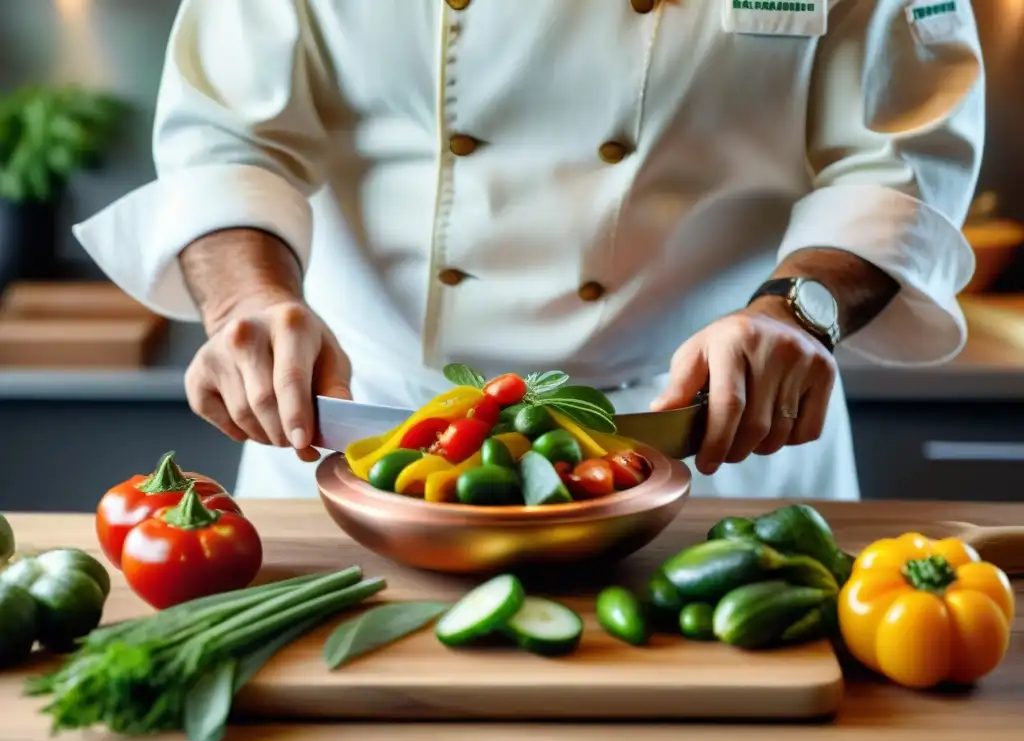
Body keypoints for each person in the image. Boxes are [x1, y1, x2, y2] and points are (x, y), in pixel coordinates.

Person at [75, 0, 983, 500]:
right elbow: (229, 135)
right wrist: (247, 303)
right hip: (371, 432)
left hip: (711, 436)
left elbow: (899, 155)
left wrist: (798, 313)